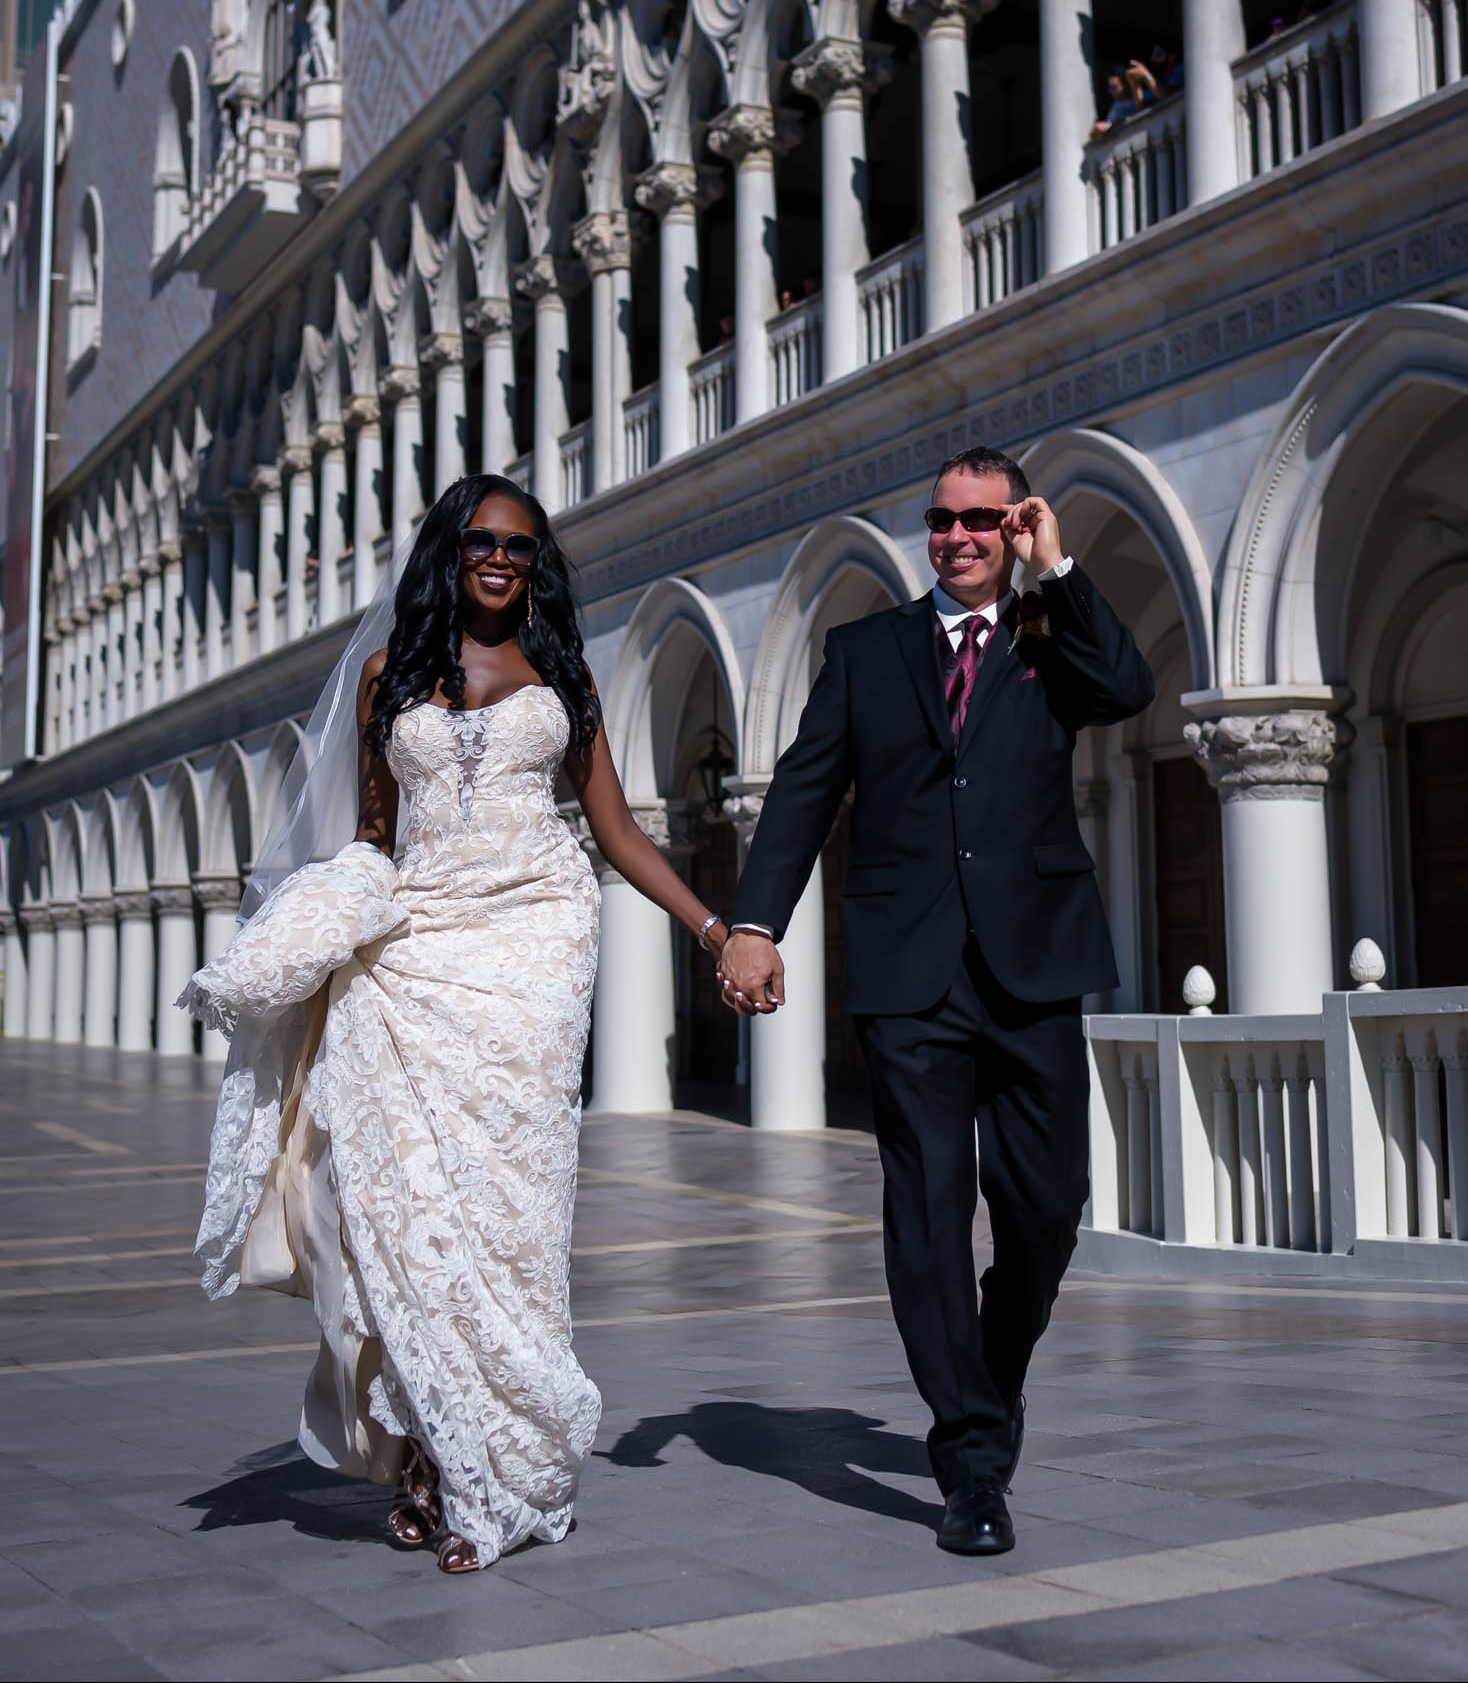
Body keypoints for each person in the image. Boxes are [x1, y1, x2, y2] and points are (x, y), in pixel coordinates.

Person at [183, 475, 729, 1574]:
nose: (498, 559)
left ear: (537, 565)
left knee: (508, 1215)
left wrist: (714, 927)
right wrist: (287, 947)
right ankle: (438, 1457)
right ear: (448, 551)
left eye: (520, 547)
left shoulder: (563, 676)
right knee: (402, 1211)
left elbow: (614, 827)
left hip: (531, 956)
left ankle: (508, 1469)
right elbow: (374, 842)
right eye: (479, 541)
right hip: (416, 957)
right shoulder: (392, 676)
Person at [717, 447, 1153, 1559]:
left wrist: (1053, 573)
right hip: (909, 976)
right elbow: (807, 787)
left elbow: (1126, 689)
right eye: (940, 521)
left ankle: (988, 1381)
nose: (956, 537)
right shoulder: (864, 652)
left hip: (1035, 965)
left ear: (1015, 526)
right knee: (925, 1218)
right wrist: (756, 923)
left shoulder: (1050, 636)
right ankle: (968, 1460)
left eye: (981, 521)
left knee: (1048, 1208)